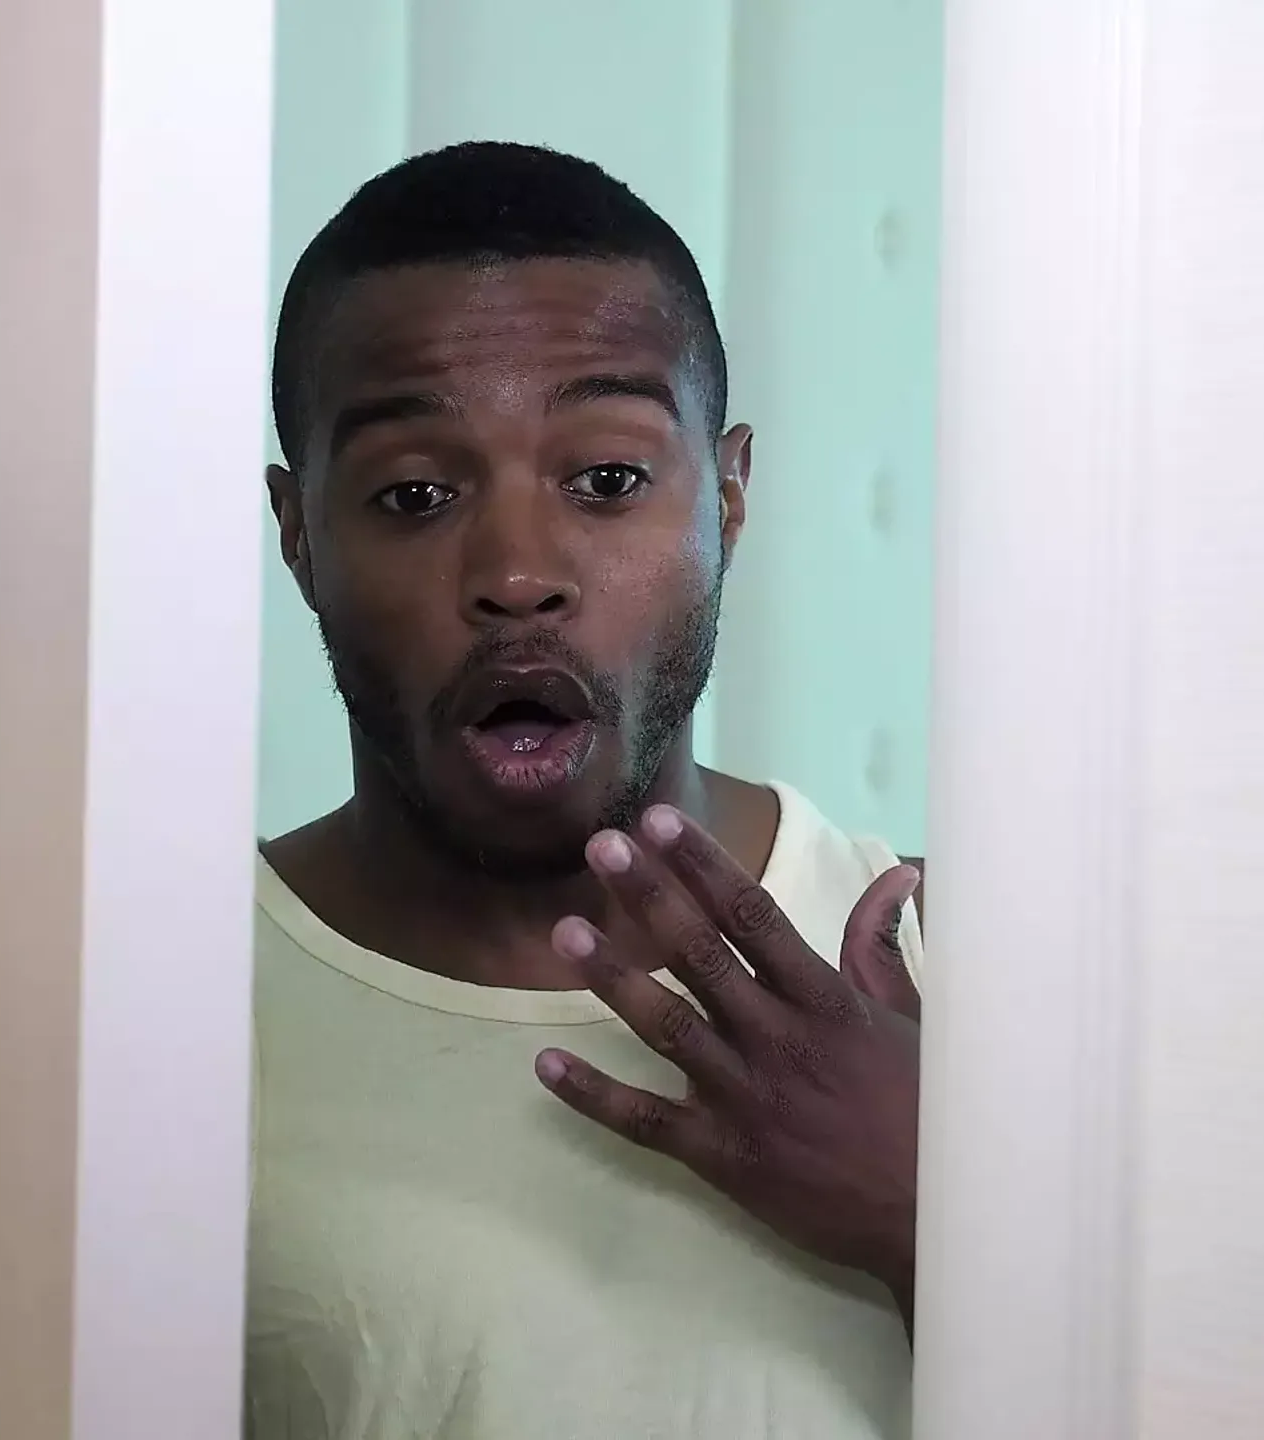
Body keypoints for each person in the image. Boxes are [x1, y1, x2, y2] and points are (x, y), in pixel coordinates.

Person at [250, 139, 926, 1439]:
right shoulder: (146, 1031)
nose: (517, 573)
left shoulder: (951, 980)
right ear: (300, 535)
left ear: (729, 496)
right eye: (416, 493)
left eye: (607, 480)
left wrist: (931, 1207)